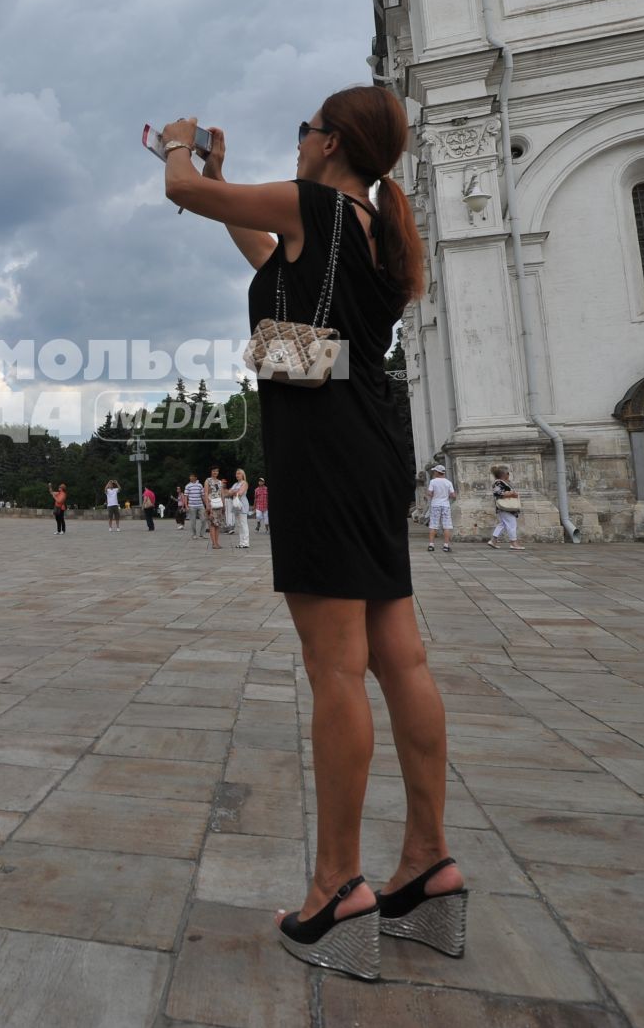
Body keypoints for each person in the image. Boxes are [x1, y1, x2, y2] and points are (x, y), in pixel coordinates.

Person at [164, 87, 463, 979]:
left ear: (330, 142)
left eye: (303, 132)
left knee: (335, 668)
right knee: (399, 656)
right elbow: (269, 258)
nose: (295, 145)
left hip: (322, 453)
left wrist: (180, 149)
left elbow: (182, 191)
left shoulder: (314, 204)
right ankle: (428, 865)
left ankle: (336, 887)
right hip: (374, 445)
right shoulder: (376, 228)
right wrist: (223, 181)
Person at [487, 465, 521, 550]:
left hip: (505, 508)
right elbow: (498, 493)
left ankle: (493, 540)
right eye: (508, 473)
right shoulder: (498, 482)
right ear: (504, 474)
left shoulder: (502, 482)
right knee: (512, 524)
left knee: (503, 524)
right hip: (505, 508)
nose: (509, 475)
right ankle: (513, 543)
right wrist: (512, 494)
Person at [425, 465, 456, 552]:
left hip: (435, 505)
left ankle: (431, 545)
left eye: (434, 471)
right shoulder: (448, 482)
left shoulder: (433, 481)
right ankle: (446, 545)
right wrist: (447, 496)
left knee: (433, 525)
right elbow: (453, 495)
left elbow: (429, 493)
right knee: (446, 526)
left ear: (437, 472)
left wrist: (434, 495)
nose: (434, 472)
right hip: (445, 505)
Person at [228, 469, 252, 549]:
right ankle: (241, 542)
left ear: (242, 475)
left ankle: (246, 542)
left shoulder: (244, 483)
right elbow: (229, 492)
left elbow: (240, 493)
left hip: (242, 504)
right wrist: (235, 491)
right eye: (236, 473)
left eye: (239, 473)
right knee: (239, 525)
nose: (237, 475)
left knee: (243, 523)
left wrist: (234, 491)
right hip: (235, 504)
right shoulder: (235, 484)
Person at [204, 467, 225, 550]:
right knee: (212, 524)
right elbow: (205, 493)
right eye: (213, 471)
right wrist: (207, 505)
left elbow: (222, 494)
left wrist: (224, 504)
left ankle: (217, 542)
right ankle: (213, 543)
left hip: (219, 504)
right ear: (211, 472)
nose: (215, 472)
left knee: (218, 524)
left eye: (216, 471)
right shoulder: (208, 480)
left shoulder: (220, 482)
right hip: (211, 504)